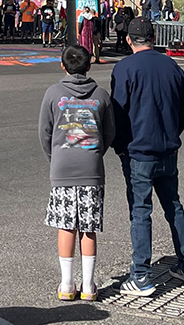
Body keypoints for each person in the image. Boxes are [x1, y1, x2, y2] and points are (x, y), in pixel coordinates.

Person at [111, 18, 184, 295]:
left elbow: (118, 113)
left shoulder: (125, 68)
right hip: (167, 146)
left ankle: (141, 274)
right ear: (153, 37)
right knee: (173, 205)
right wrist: (172, 132)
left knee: (140, 211)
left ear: (129, 40)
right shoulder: (172, 66)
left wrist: (120, 145)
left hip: (138, 149)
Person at [39, 45, 115, 302]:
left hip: (62, 167)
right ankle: (89, 285)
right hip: (91, 167)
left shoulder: (53, 93)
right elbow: (109, 132)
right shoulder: (101, 95)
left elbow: (44, 132)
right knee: (89, 228)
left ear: (63, 66)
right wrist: (95, 153)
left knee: (66, 225)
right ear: (89, 66)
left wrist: (55, 157)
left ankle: (66, 283)